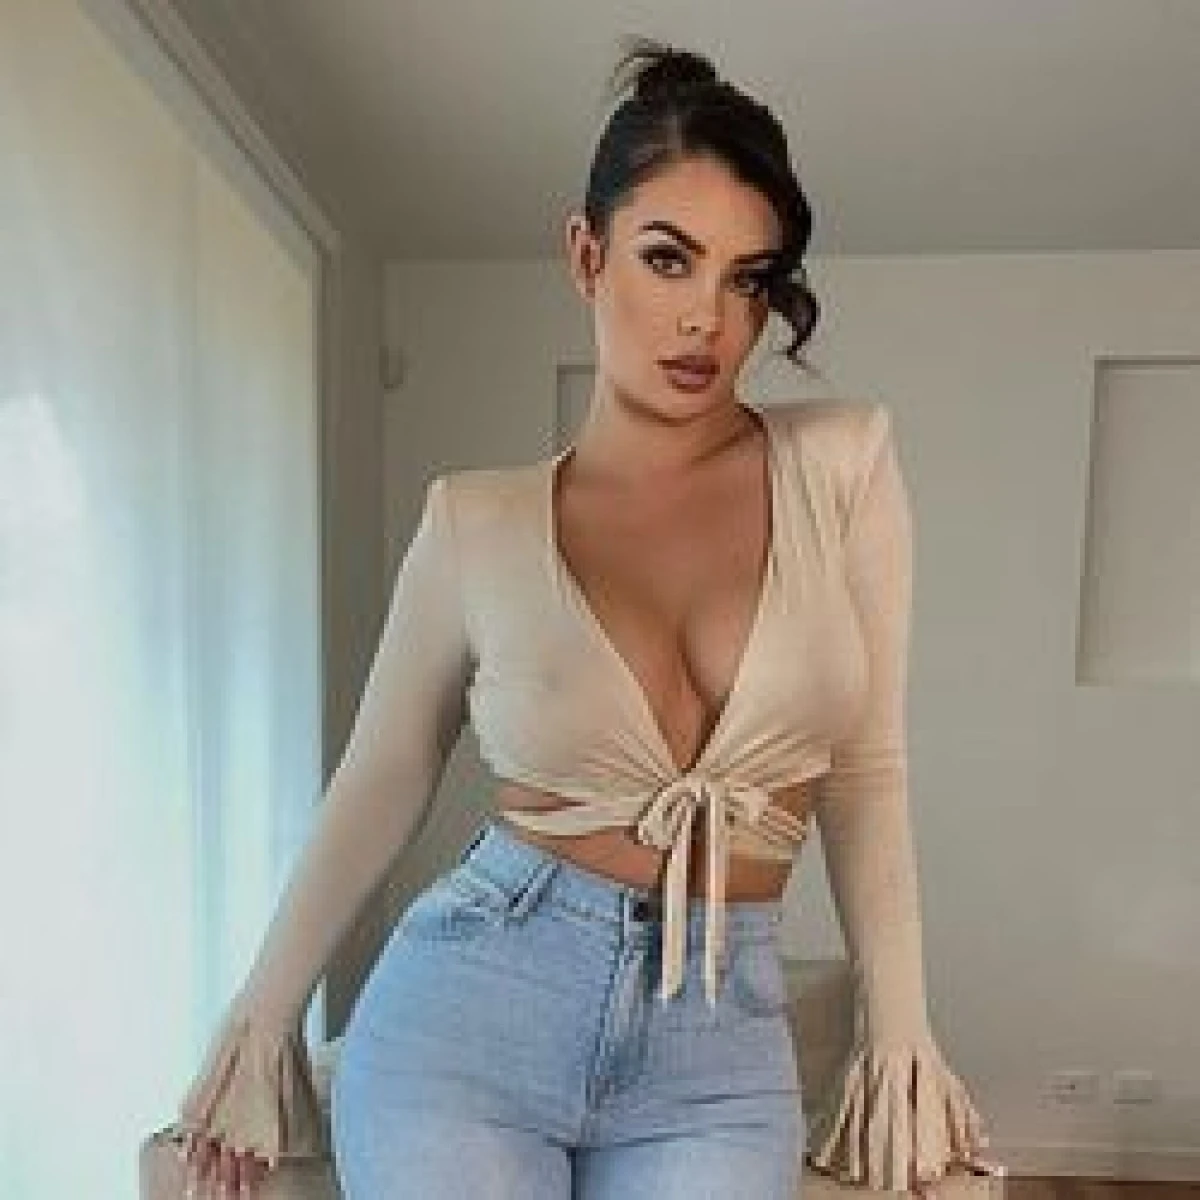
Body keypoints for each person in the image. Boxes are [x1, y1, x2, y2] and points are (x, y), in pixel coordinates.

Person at [173, 36, 1001, 1198]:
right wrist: (261, 1024)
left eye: (747, 279)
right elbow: (382, 776)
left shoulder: (842, 466)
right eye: (669, 259)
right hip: (473, 1014)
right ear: (586, 253)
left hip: (718, 1048)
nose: (706, 317)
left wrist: (900, 1038)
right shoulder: (473, 522)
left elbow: (866, 769)